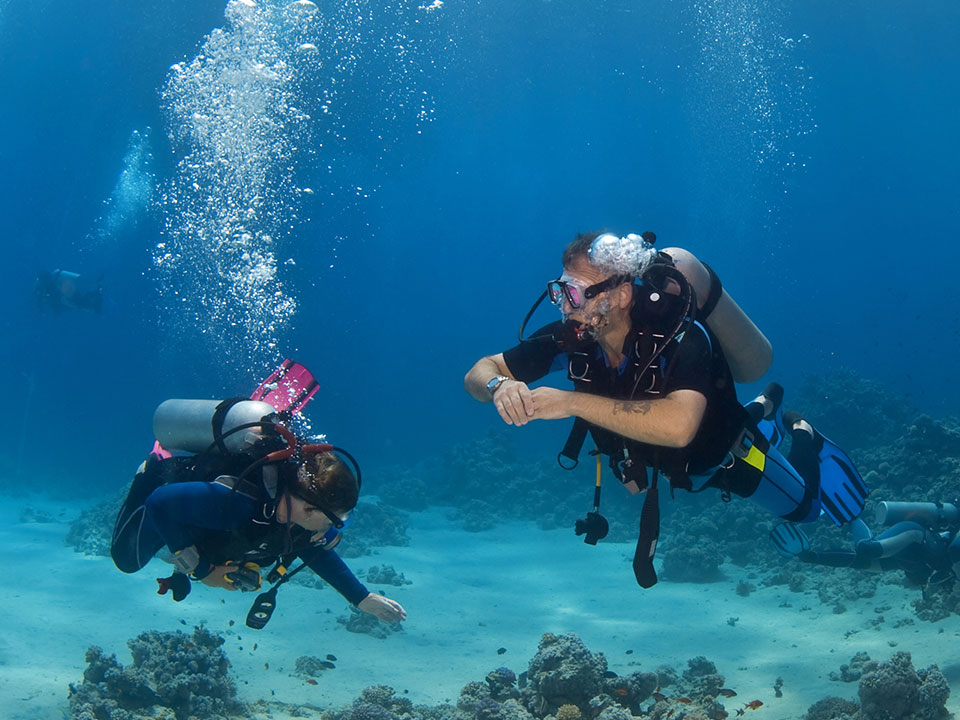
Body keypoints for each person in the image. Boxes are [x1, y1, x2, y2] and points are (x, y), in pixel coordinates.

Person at [464, 230, 868, 587]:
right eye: (559, 292)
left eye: (573, 294)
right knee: (748, 428)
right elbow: (479, 371)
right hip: (666, 466)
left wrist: (568, 402)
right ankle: (764, 407)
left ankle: (801, 433)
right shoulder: (575, 335)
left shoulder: (679, 336)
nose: (564, 308)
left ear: (621, 294)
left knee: (806, 510)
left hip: (725, 457)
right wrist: (499, 385)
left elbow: (679, 427)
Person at [110, 395, 406, 627]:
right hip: (167, 489)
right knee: (126, 559)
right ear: (306, 507)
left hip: (211, 524)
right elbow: (160, 503)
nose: (337, 526)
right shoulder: (237, 503)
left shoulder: (299, 519)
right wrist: (201, 570)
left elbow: (312, 551)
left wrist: (360, 597)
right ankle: (151, 464)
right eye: (336, 519)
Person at [771, 501, 960, 588]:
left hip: (914, 539)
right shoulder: (944, 557)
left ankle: (842, 511)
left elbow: (856, 562)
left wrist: (814, 557)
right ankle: (851, 511)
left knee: (864, 555)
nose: (911, 582)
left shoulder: (903, 564)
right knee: (867, 549)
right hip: (914, 533)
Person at [34, 269, 103, 312]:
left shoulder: (57, 274)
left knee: (80, 303)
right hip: (63, 301)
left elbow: (78, 277)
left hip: (67, 297)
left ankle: (94, 302)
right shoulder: (42, 286)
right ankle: (94, 303)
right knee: (79, 303)